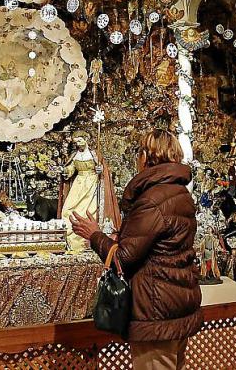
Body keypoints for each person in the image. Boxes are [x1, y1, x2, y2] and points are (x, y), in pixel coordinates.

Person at [70, 129, 202, 369]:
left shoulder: (152, 199)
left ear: (147, 156)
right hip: (177, 302)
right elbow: (162, 245)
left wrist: (94, 235)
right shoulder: (179, 192)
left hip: (155, 309)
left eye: (140, 152)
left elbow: (123, 259)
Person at [58, 130, 120, 251]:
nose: (78, 144)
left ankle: (85, 242)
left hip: (92, 184)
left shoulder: (94, 154)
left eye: (80, 141)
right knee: (67, 209)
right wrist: (65, 171)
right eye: (76, 142)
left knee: (89, 210)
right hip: (78, 184)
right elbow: (71, 168)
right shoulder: (75, 155)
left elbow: (103, 169)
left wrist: (100, 170)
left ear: (86, 140)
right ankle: (70, 240)